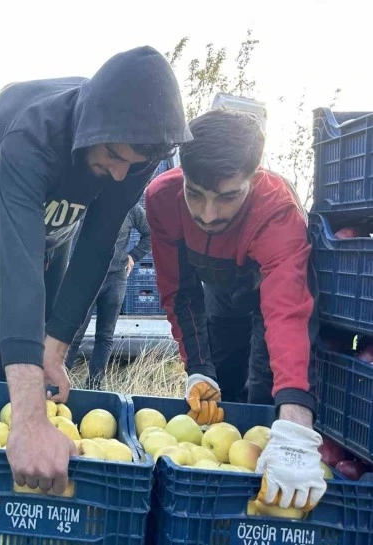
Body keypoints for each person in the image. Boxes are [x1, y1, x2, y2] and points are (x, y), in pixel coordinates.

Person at [0, 45, 191, 495]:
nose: (121, 176)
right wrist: (28, 418)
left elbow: (98, 244)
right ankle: (10, 438)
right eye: (114, 157)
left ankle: (28, 420)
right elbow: (20, 265)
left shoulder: (131, 149)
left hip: (57, 226)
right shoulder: (30, 137)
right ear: (91, 128)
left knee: (46, 336)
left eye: (133, 164)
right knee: (17, 329)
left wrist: (57, 349)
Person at [145, 109, 326, 512]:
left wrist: (295, 420)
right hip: (219, 292)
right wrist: (197, 367)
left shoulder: (276, 211)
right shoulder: (162, 198)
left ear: (254, 176)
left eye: (227, 197)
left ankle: (265, 501)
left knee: (265, 391)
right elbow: (179, 291)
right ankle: (222, 503)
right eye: (196, 193)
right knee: (219, 390)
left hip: (266, 294)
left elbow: (286, 312)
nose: (208, 214)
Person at [64, 203, 151, 389]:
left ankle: (94, 386)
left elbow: (150, 233)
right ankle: (58, 381)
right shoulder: (85, 199)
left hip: (115, 279)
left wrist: (133, 256)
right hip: (85, 278)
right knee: (73, 333)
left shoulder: (130, 207)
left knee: (105, 336)